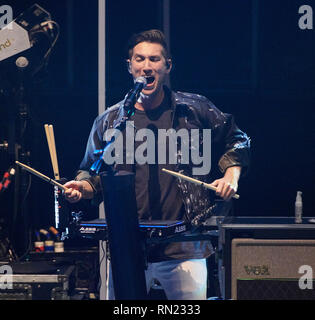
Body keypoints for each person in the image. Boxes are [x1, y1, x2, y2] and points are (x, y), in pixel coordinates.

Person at [64, 29, 250, 300]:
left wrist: (231, 175)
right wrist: (81, 188)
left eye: (154, 59)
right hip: (127, 249)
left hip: (184, 246)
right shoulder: (110, 121)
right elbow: (92, 175)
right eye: (140, 59)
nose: (147, 66)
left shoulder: (194, 109)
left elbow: (238, 139)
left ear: (167, 66)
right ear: (129, 66)